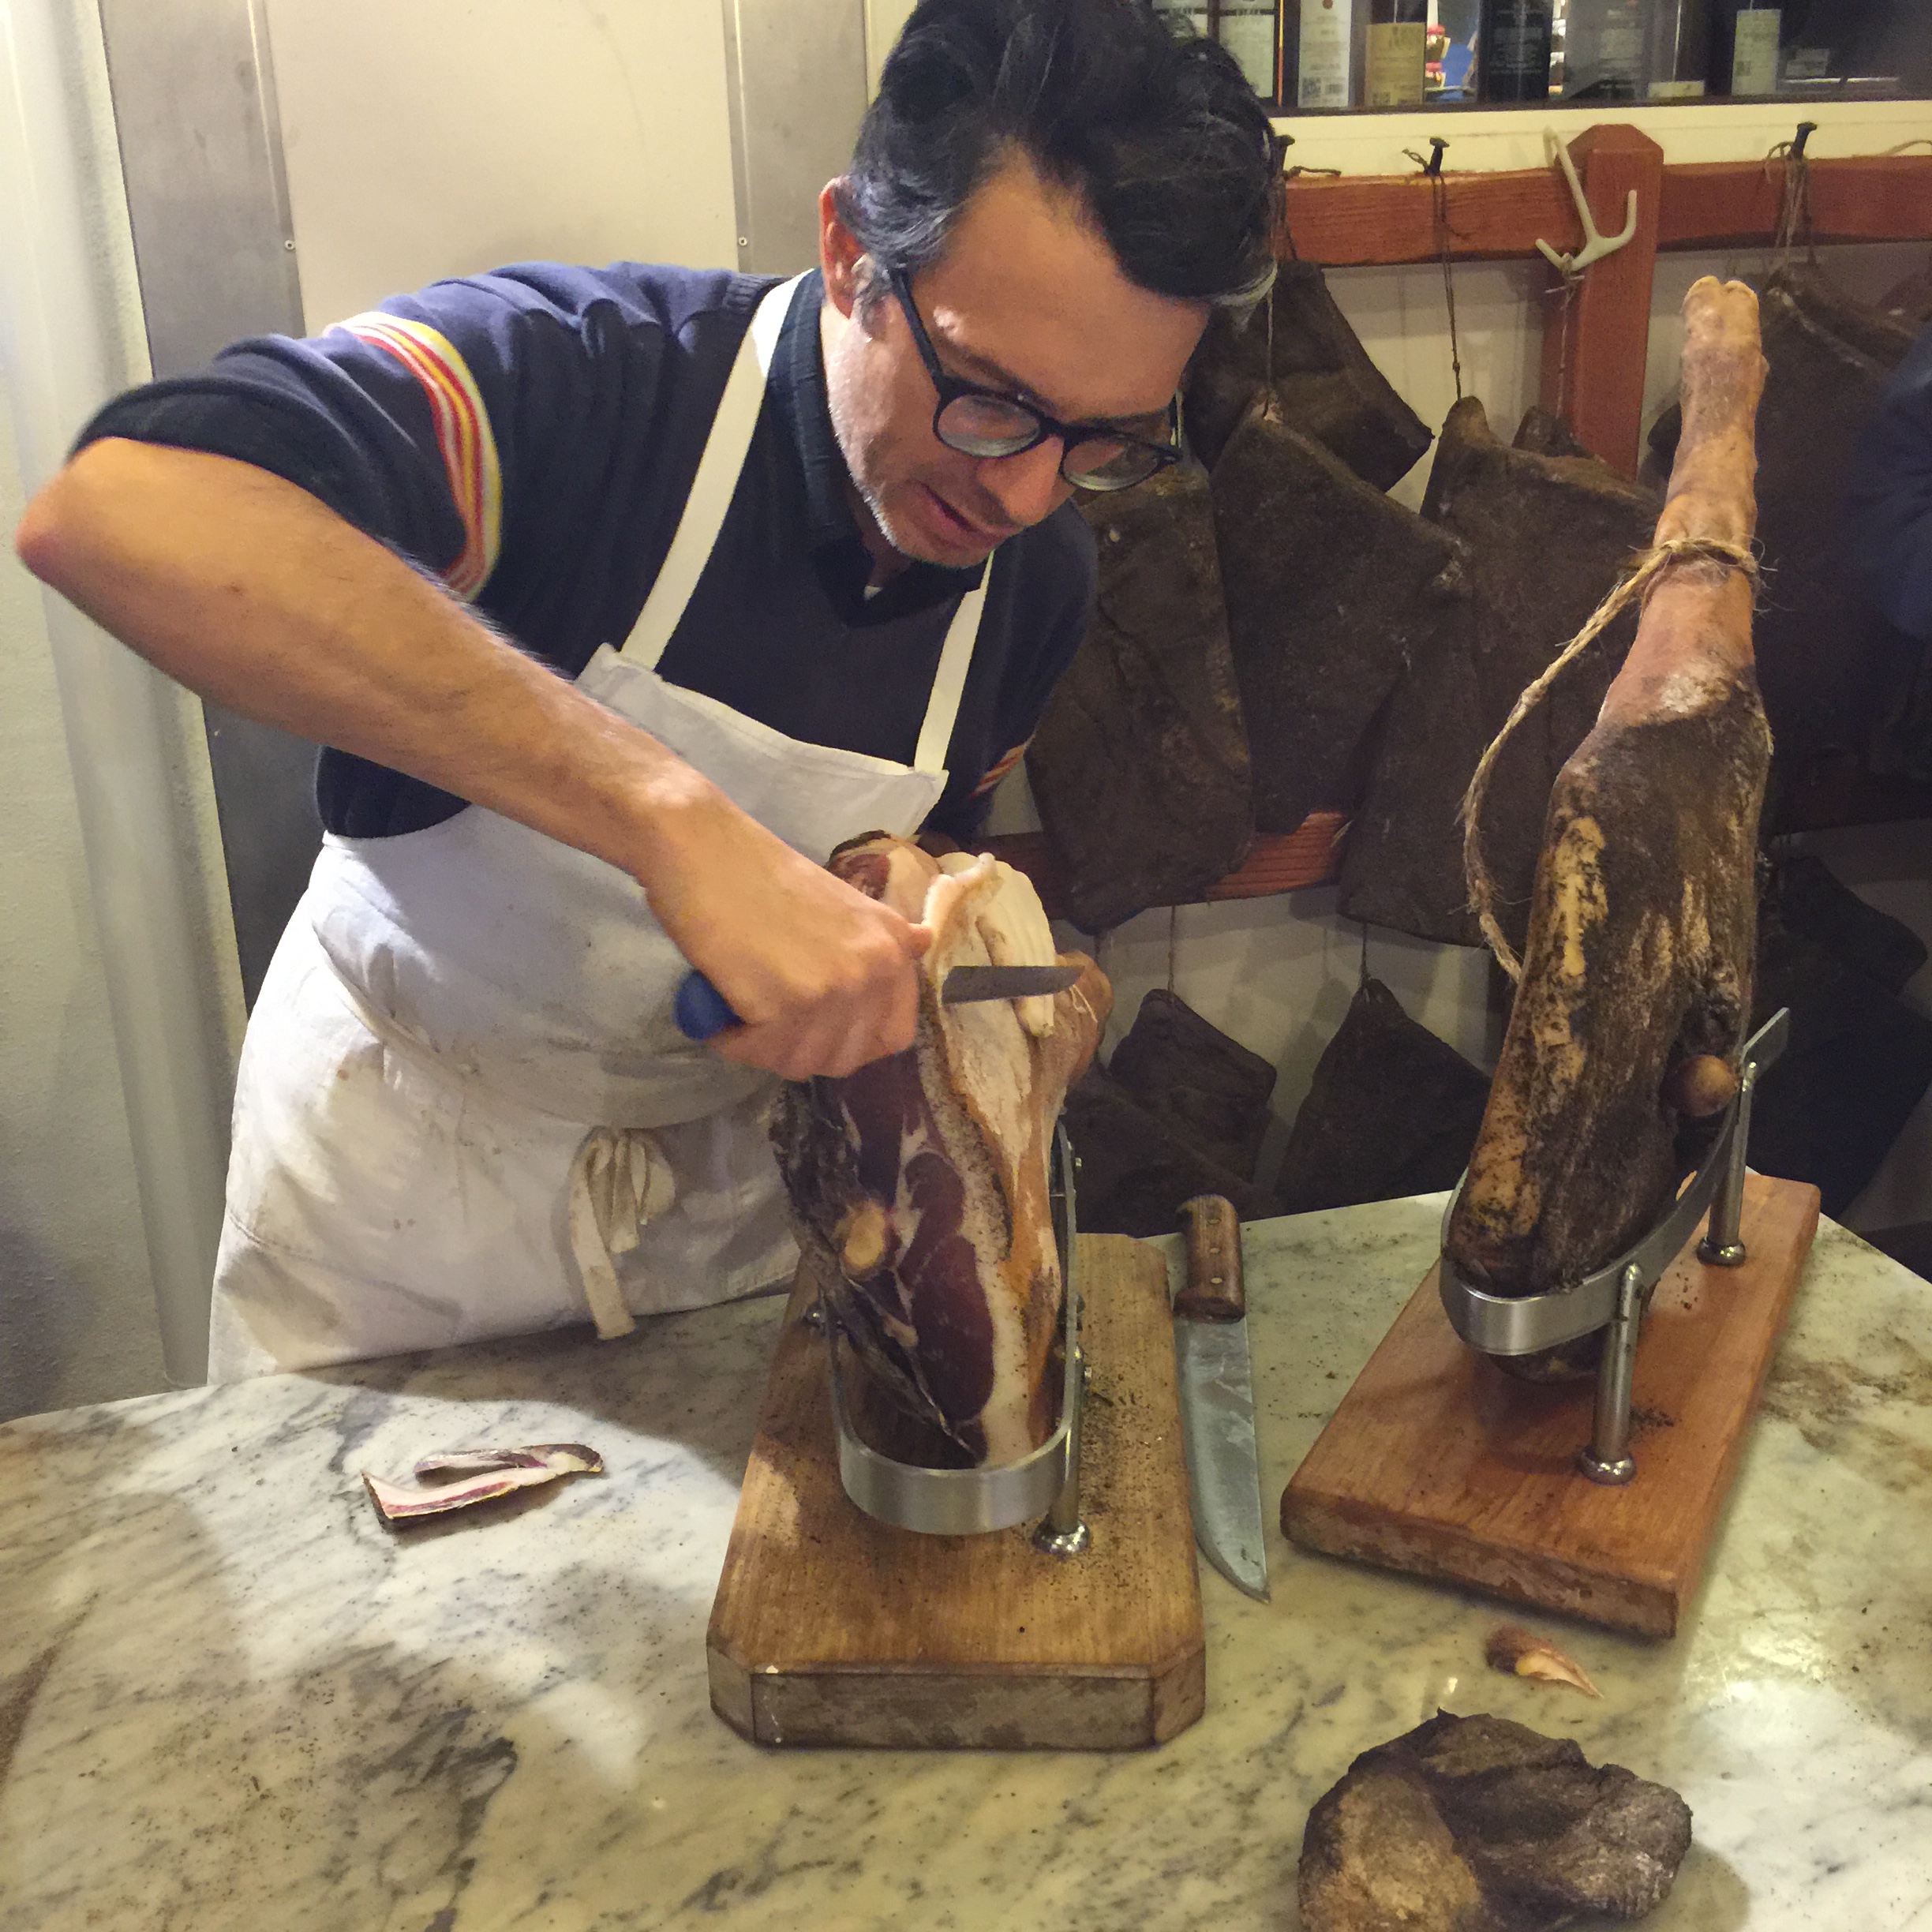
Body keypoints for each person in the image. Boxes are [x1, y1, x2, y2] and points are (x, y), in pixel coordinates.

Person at [16, 0, 1280, 1376]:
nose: (1025, 491)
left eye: (1102, 441)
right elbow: (125, 512)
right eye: (988, 397)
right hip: (398, 1208)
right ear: (850, 252)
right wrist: (670, 820)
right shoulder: (579, 382)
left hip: (730, 1231)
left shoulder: (1038, 583)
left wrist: (910, 915)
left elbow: (917, 852)